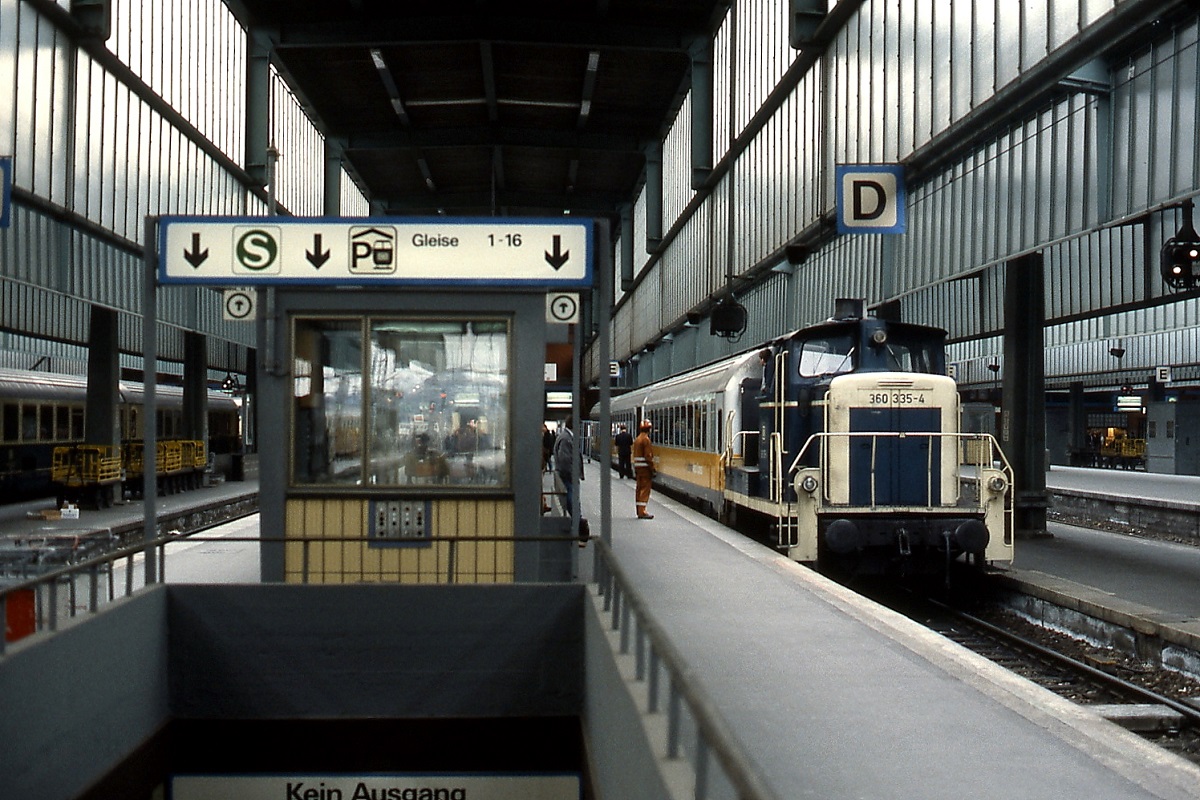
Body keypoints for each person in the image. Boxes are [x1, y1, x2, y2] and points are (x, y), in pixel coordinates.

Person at [553, 418, 583, 516]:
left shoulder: (566, 437)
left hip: (569, 474)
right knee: (572, 497)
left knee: (573, 497)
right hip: (568, 475)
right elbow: (565, 459)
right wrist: (572, 474)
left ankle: (577, 517)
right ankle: (577, 518)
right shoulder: (566, 439)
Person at [633, 419, 655, 520]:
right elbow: (648, 456)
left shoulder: (637, 439)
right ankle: (642, 511)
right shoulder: (646, 439)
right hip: (645, 469)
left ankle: (639, 510)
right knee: (645, 490)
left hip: (638, 468)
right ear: (649, 429)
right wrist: (652, 468)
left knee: (639, 489)